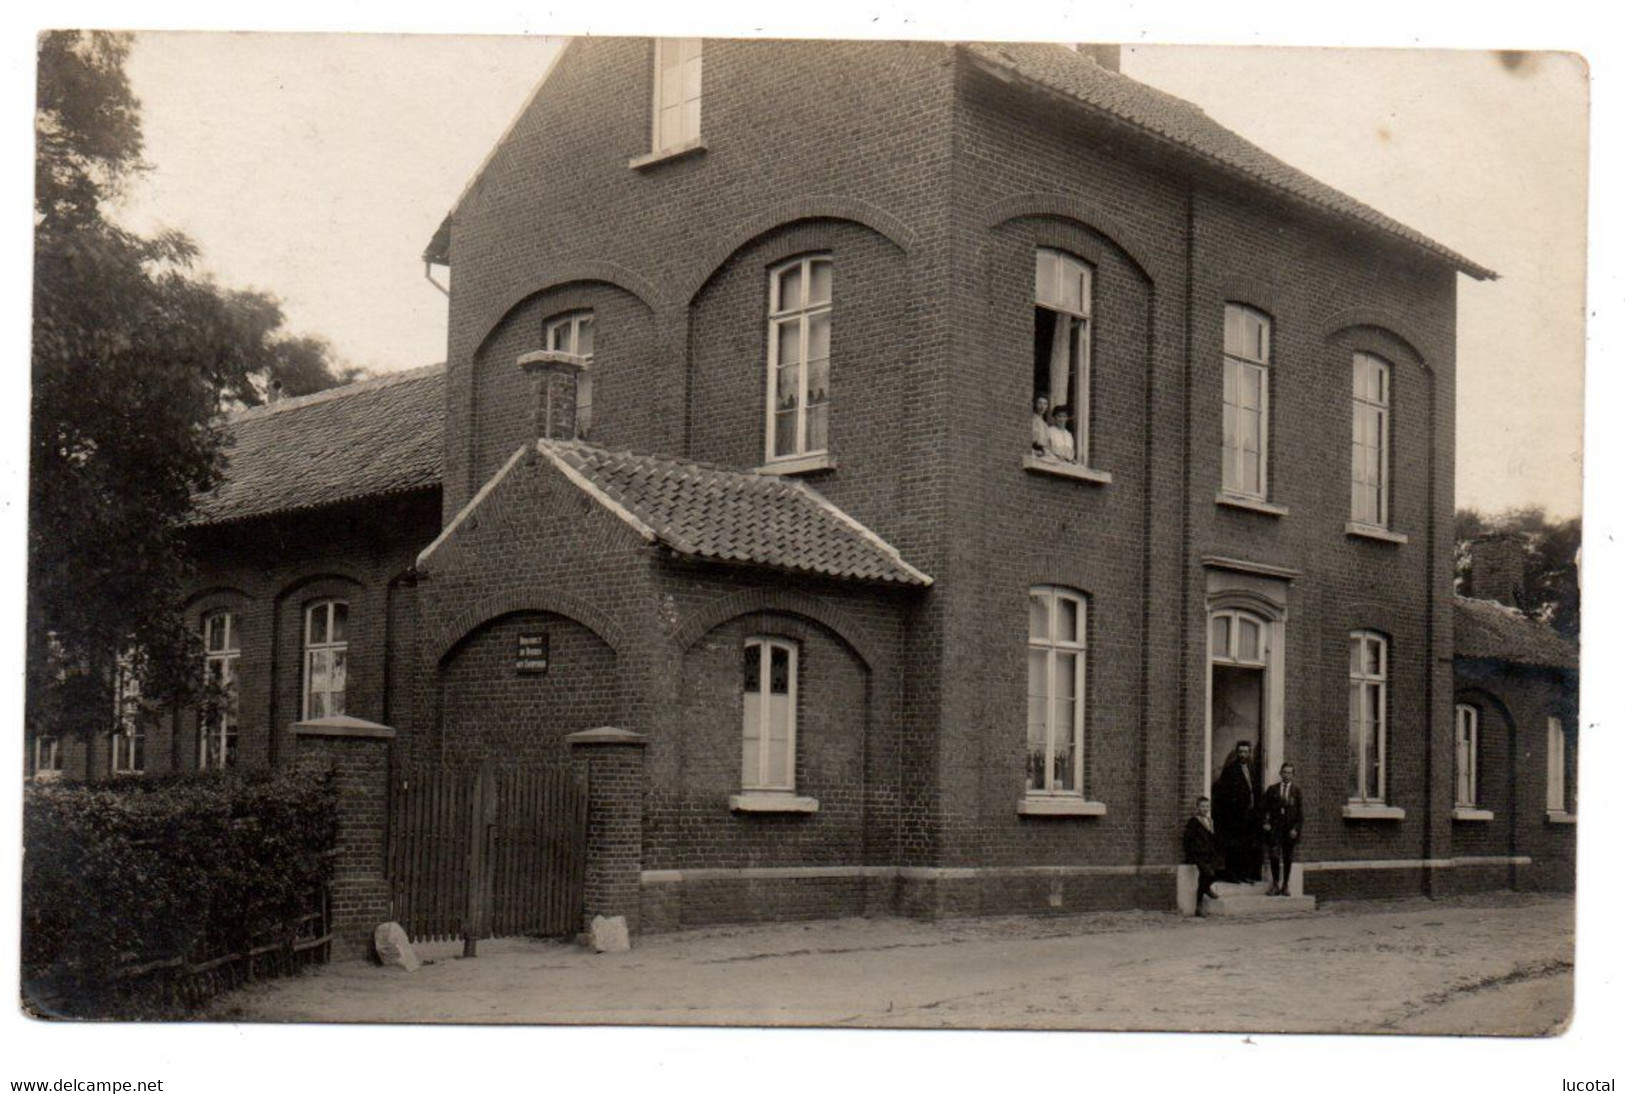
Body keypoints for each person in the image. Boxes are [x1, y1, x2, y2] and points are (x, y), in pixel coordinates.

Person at [1211, 740, 1261, 883]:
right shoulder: (1230, 770)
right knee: (1234, 846)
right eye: (1240, 752)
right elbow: (1224, 793)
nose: (1243, 755)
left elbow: (1254, 790)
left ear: (1249, 753)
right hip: (1235, 816)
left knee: (1247, 846)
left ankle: (1245, 874)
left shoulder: (1253, 770)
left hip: (1250, 815)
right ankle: (1233, 875)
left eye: (1246, 752)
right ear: (1237, 753)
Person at [1260, 761, 1304, 896]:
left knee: (1287, 857)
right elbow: (1264, 809)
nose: (1287, 775)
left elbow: (1300, 814)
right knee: (1274, 855)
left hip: (1289, 830)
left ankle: (1285, 885)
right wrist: (1265, 822)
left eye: (1290, 772)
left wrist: (1295, 829)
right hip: (1275, 829)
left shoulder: (1296, 792)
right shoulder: (1272, 789)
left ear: (1293, 775)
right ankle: (1275, 884)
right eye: (1284, 772)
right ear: (1280, 773)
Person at [1182, 795, 1225, 913]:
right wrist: (1193, 852)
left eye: (1207, 806)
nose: (1205, 808)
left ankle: (1199, 905)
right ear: (1197, 808)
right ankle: (1205, 891)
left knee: (1212, 874)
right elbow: (1188, 840)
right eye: (1202, 806)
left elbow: (1213, 838)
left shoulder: (1210, 821)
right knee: (1208, 874)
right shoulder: (1194, 822)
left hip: (1208, 854)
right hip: (1198, 854)